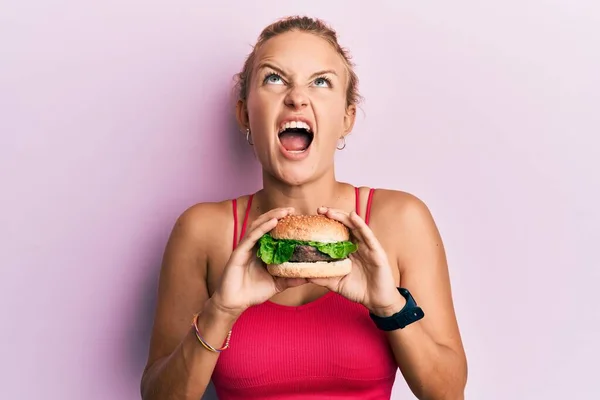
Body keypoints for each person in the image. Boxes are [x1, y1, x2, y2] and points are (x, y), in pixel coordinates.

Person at [140, 15, 467, 400]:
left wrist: (389, 306)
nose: (297, 97)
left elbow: (448, 393)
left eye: (321, 81)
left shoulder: (399, 221)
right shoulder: (203, 231)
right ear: (245, 114)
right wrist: (221, 313)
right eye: (274, 78)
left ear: (346, 119)